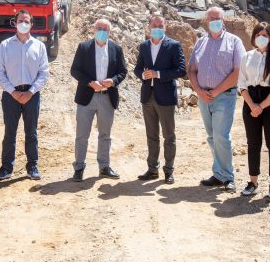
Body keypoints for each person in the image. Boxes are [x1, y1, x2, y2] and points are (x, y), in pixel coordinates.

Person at [189, 6, 246, 193]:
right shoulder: (200, 42)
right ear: (206, 21)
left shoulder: (234, 42)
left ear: (224, 20)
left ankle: (228, 177)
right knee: (212, 137)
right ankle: (219, 173)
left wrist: (216, 91)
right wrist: (198, 90)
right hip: (203, 97)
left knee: (222, 137)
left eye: (217, 18)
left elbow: (238, 71)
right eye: (210, 18)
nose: (214, 20)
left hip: (224, 96)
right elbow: (192, 70)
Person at [0, 9, 49, 181]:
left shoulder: (39, 46)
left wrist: (31, 92)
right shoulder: (5, 45)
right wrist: (13, 91)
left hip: (32, 95)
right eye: (20, 20)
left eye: (27, 21)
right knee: (10, 132)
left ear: (32, 24)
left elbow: (44, 72)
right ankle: (6, 168)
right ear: (15, 23)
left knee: (31, 132)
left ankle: (32, 167)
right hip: (11, 95)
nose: (23, 24)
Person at [70, 18, 128, 182]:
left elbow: (123, 71)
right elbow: (74, 70)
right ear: (94, 29)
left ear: (110, 32)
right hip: (86, 98)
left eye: (106, 29)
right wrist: (89, 82)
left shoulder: (116, 49)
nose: (102, 31)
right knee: (82, 135)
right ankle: (79, 167)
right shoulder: (84, 47)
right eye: (99, 28)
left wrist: (114, 81)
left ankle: (104, 167)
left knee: (105, 135)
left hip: (107, 98)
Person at [133, 15, 186, 184]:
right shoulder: (144, 46)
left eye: (160, 25)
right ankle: (152, 169)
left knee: (169, 136)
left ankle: (168, 170)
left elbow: (181, 70)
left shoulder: (174, 46)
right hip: (148, 95)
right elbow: (138, 68)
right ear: (148, 26)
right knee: (151, 135)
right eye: (154, 25)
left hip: (166, 97)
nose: (157, 27)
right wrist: (143, 75)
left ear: (165, 26)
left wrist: (159, 74)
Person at [238, 22, 270, 199]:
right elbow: (242, 83)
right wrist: (252, 105)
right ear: (253, 36)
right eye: (259, 34)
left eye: (265, 35)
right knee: (253, 144)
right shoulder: (246, 56)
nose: (261, 38)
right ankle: (253, 181)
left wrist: (262, 106)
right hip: (250, 101)